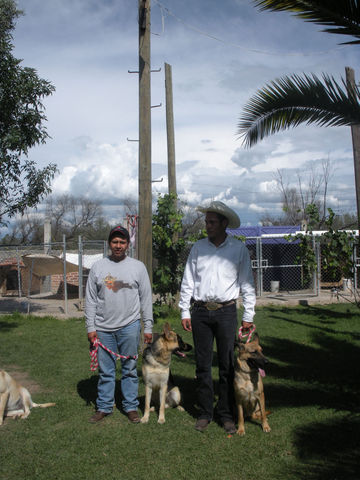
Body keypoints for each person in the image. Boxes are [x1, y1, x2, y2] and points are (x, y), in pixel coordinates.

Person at [179, 201, 256, 433]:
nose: (207, 226)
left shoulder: (238, 249)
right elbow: (188, 280)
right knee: (202, 365)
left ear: (224, 224)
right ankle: (204, 412)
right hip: (200, 312)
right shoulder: (198, 248)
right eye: (206, 222)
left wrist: (248, 314)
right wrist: (185, 310)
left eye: (212, 222)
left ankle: (226, 413)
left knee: (227, 365)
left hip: (226, 312)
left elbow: (247, 284)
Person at [85, 225, 153, 423]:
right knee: (106, 371)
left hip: (130, 326)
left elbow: (146, 298)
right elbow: (90, 299)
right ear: (109, 244)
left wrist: (148, 327)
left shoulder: (138, 267)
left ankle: (131, 407)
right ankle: (104, 406)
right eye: (115, 242)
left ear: (128, 244)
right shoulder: (98, 267)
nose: (118, 245)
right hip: (103, 328)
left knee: (129, 368)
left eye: (122, 242)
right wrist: (91, 327)